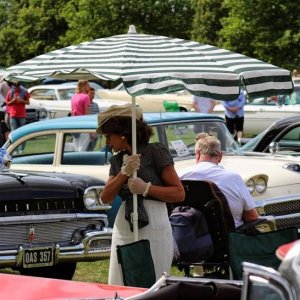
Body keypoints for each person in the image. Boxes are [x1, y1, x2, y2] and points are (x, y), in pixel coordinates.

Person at [97, 103, 185, 286]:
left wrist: (146, 188)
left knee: (154, 281)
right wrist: (124, 173)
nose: (107, 142)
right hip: (125, 222)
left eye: (109, 136)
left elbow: (179, 193)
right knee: (120, 278)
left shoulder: (155, 152)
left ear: (123, 133)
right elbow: (105, 197)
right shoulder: (117, 160)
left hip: (155, 220)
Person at [178, 134, 259, 228]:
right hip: (230, 237)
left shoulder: (181, 176)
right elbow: (251, 217)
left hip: (192, 237)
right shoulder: (234, 178)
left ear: (198, 153)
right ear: (220, 156)